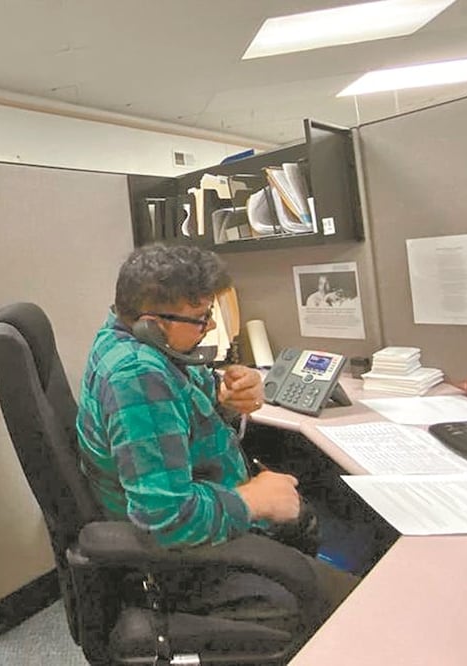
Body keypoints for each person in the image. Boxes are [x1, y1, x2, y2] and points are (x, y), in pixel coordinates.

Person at [76, 243, 356, 621]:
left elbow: (186, 407)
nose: (209, 326)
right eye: (200, 317)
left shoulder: (139, 342)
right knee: (356, 602)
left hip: (210, 504)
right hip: (187, 560)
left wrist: (230, 397)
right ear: (152, 323)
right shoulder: (139, 375)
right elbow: (166, 518)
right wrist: (254, 500)